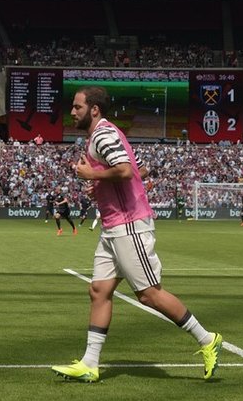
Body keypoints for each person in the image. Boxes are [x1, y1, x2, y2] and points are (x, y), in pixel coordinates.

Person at [52, 86, 223, 383]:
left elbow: (127, 170)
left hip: (128, 225)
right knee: (99, 291)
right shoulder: (102, 134)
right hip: (113, 226)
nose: (72, 111)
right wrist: (100, 185)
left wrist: (93, 176)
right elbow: (136, 171)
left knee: (149, 294)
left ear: (94, 109)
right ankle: (90, 363)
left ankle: (207, 339)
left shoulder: (103, 135)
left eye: (77, 106)